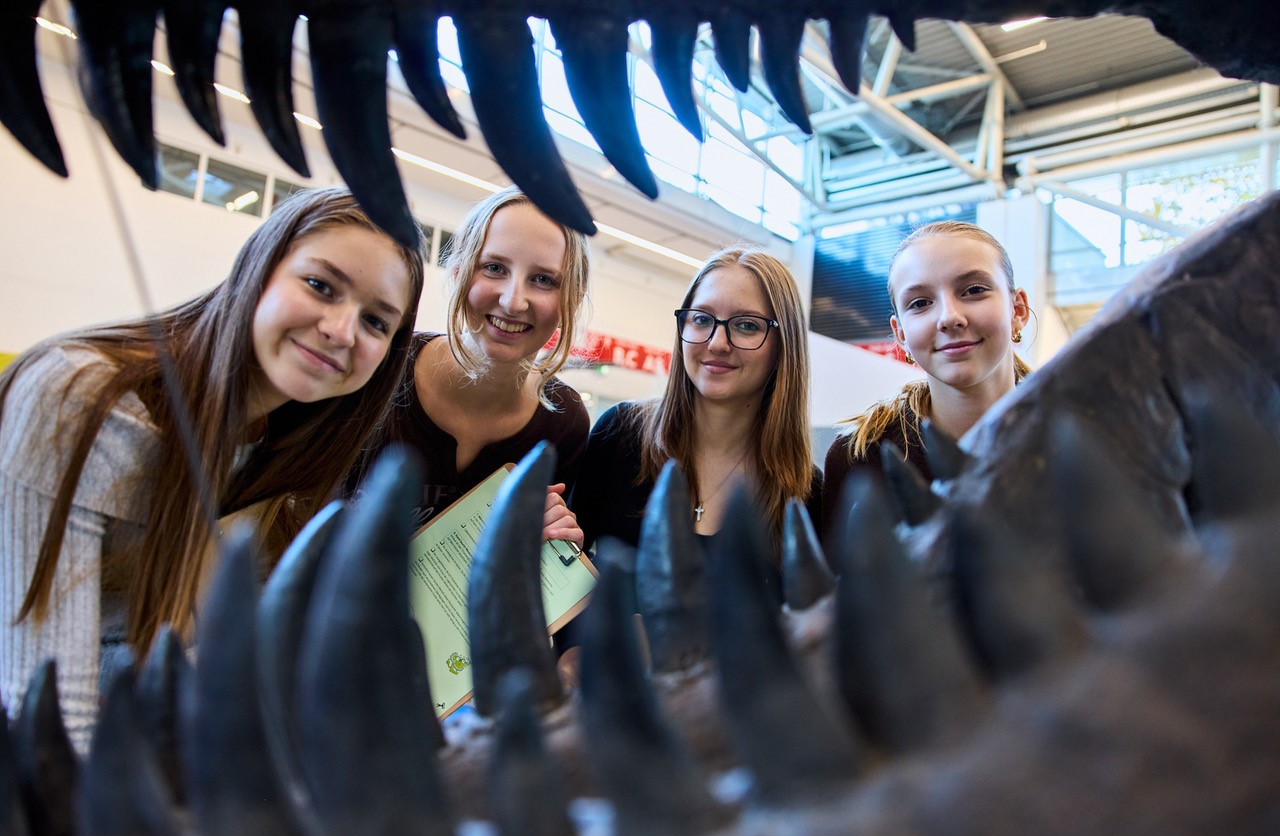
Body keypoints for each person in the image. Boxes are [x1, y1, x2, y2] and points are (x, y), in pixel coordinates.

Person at [0, 188, 426, 750]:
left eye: (375, 322)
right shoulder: (83, 399)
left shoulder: (288, 451)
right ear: (259, 269)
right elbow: (45, 716)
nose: (342, 330)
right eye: (321, 286)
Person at [354, 186, 591, 546]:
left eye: (543, 280)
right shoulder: (384, 363)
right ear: (459, 273)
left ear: (571, 299)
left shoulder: (564, 422)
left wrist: (553, 539)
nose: (513, 302)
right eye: (494, 268)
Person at [571, 245, 820, 567]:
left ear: (784, 344)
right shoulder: (620, 433)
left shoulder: (806, 492)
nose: (717, 343)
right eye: (702, 319)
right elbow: (563, 568)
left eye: (747, 325)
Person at [821, 221, 1031, 542]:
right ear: (901, 334)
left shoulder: (1082, 436)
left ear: (1017, 310)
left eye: (974, 290)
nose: (949, 317)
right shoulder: (860, 460)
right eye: (920, 303)